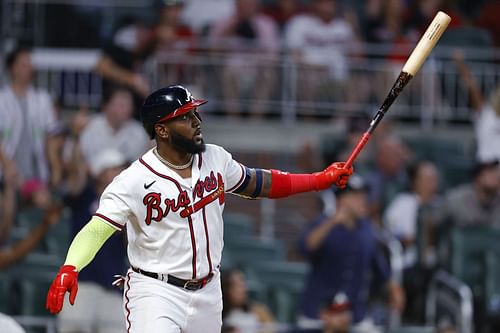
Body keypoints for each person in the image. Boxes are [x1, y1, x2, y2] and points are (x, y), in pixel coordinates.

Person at [45, 85, 353, 332]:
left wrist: (319, 179)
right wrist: (70, 267)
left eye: (195, 113)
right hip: (156, 290)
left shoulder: (215, 158)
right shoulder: (133, 180)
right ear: (162, 130)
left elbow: (260, 183)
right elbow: (98, 227)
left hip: (208, 291)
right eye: (185, 116)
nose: (196, 122)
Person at [297, 174, 404, 333]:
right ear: (341, 199)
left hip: (353, 313)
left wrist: (393, 288)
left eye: (363, 196)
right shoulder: (323, 222)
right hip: (319, 312)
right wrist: (333, 221)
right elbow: (305, 247)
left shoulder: (367, 229)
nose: (362, 201)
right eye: (355, 196)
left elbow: (377, 263)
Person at [57, 149, 128, 333]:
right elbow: (75, 178)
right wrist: (76, 137)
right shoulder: (84, 196)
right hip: (81, 284)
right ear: (100, 172)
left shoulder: (125, 205)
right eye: (115, 168)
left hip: (112, 289)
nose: (121, 172)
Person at [0, 46, 60, 185]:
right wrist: (7, 164)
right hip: (6, 173)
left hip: (37, 173)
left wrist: (55, 166)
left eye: (30, 64)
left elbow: (51, 136)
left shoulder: (43, 99)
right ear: (12, 69)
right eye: (24, 64)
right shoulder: (2, 100)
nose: (30, 68)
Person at [79, 86, 150, 165]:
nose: (127, 110)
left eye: (129, 105)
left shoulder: (139, 132)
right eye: (121, 105)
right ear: (106, 106)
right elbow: (83, 162)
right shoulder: (90, 126)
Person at [439, 159, 500, 226]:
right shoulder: (456, 200)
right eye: (491, 171)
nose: (497, 176)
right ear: (478, 177)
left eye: (496, 171)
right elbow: (432, 223)